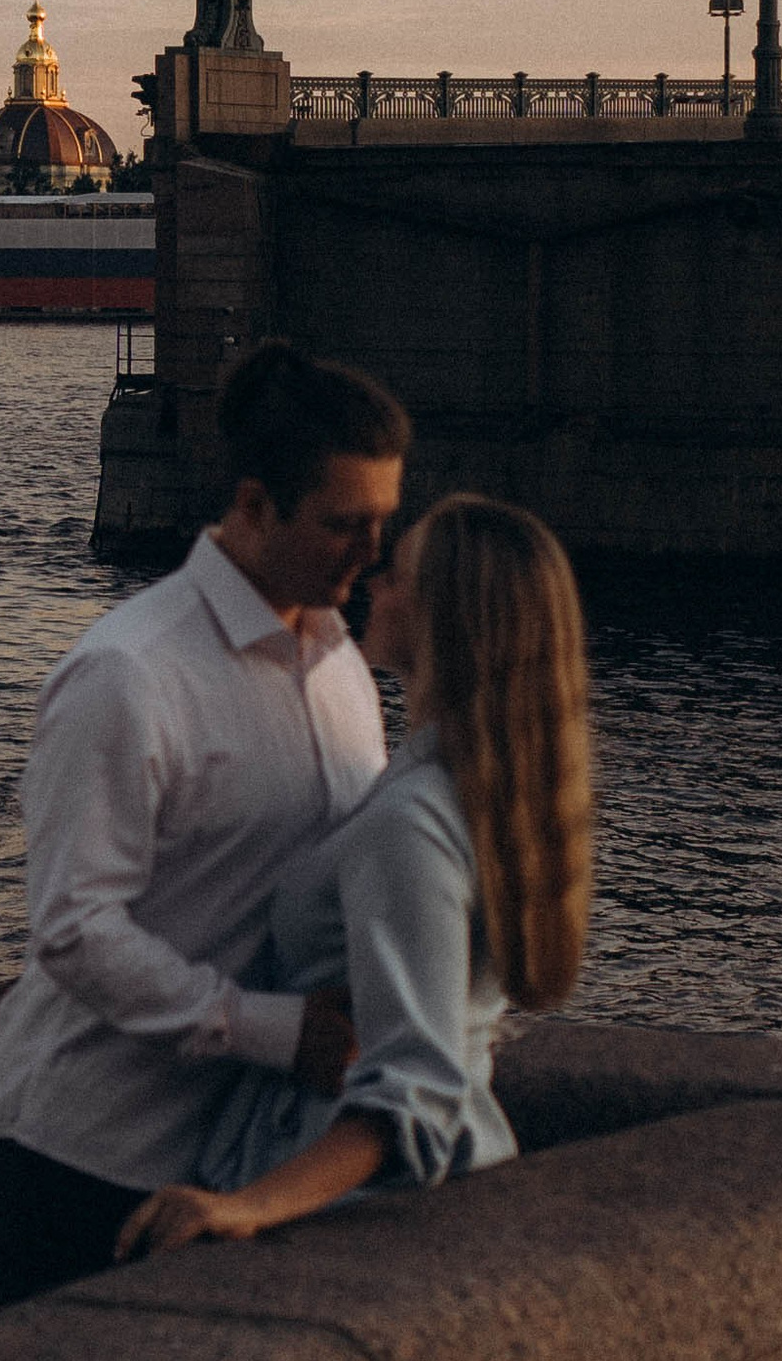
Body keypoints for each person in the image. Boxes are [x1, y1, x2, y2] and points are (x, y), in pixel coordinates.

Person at [0, 339, 409, 1298]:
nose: (374, 554)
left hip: (255, 1158)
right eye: (346, 524)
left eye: (385, 521)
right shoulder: (128, 675)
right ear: (254, 505)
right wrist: (273, 1031)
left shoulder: (344, 664)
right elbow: (74, 931)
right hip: (95, 1158)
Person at [116, 493, 593, 1258]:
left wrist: (246, 1207)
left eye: (398, 576)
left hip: (357, 1208)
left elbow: (411, 1088)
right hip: (458, 1180)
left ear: (445, 618)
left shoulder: (412, 822)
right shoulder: (481, 791)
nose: (374, 581)